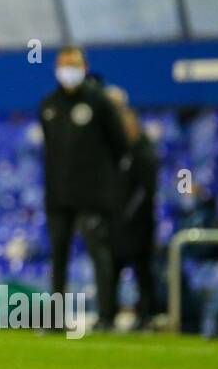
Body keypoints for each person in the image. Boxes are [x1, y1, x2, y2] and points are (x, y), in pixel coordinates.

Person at [39, 46, 128, 330]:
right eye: (64, 64)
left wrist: (103, 183)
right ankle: (55, 320)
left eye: (74, 64)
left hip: (92, 197)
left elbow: (120, 146)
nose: (68, 70)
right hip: (58, 197)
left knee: (100, 256)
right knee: (59, 257)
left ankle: (106, 317)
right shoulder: (48, 105)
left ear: (85, 66)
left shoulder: (100, 102)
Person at [112, 103, 158, 329]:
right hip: (120, 223)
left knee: (142, 271)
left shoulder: (144, 151)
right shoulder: (118, 151)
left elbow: (144, 190)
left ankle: (145, 314)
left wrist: (126, 215)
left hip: (140, 224)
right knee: (113, 271)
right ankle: (109, 312)